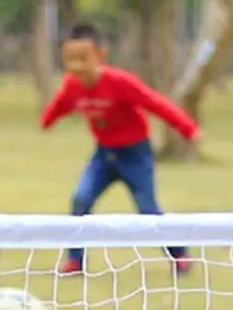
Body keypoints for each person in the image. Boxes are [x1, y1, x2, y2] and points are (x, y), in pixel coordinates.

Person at [40, 23, 202, 276]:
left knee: (148, 209)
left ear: (100, 54)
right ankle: (74, 261)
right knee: (81, 199)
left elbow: (155, 103)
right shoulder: (73, 85)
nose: (76, 66)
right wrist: (48, 121)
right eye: (70, 59)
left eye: (83, 58)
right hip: (104, 155)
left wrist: (188, 128)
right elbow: (61, 104)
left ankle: (179, 254)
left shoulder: (120, 83)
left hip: (135, 154)